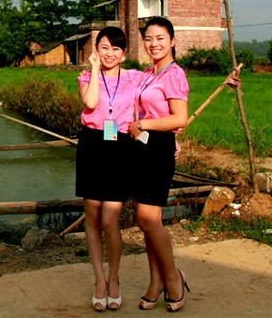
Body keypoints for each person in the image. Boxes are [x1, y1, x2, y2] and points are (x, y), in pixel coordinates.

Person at [128, 17, 191, 312]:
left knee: (150, 219)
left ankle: (173, 279)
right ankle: (155, 282)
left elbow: (179, 118)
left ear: (173, 41)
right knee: (143, 220)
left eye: (160, 38)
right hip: (142, 147)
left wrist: (147, 124)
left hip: (157, 149)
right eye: (149, 39)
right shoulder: (147, 75)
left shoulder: (174, 74)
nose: (154, 44)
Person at [76, 26, 141, 312]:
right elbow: (90, 102)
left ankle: (114, 278)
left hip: (120, 146)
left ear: (124, 53)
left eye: (116, 48)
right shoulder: (86, 77)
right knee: (92, 216)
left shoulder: (135, 79)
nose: (110, 53)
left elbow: (166, 84)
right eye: (104, 47)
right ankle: (99, 280)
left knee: (110, 219)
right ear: (96, 49)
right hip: (92, 144)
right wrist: (93, 69)